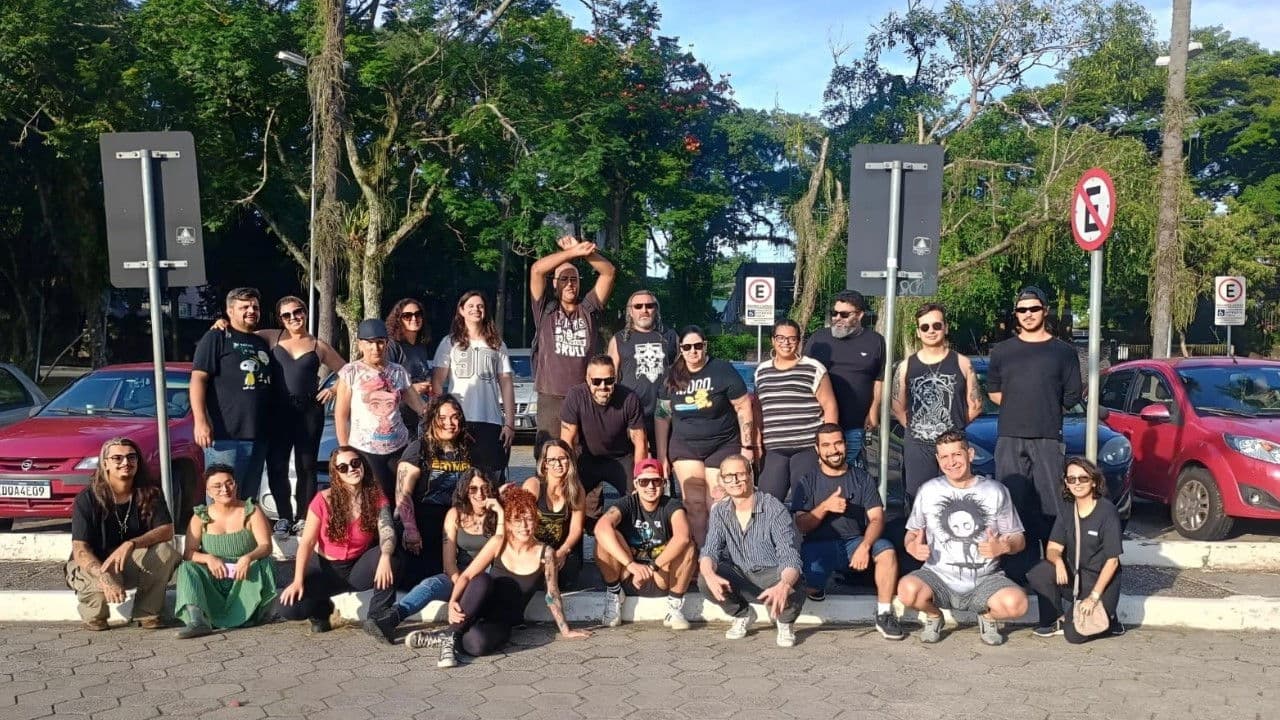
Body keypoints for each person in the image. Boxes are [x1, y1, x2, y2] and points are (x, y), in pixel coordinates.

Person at [404, 487, 590, 668]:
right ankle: (449, 638)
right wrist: (453, 601)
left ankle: (443, 637)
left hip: (502, 621)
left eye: (529, 519)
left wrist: (565, 630)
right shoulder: (498, 542)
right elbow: (467, 575)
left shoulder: (546, 553)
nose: (524, 526)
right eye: (518, 520)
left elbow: (552, 593)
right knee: (482, 579)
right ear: (508, 523)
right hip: (477, 605)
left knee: (475, 644)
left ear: (536, 520)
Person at [986, 286, 1083, 583]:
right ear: (1016, 314)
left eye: (1034, 309)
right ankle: (1015, 576)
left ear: (1045, 311)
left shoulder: (1063, 352)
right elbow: (994, 392)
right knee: (1011, 506)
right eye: (1022, 310)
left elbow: (1072, 396)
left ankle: (1055, 574)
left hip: (1047, 437)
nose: (1028, 314)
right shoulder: (1002, 352)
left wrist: (1042, 406)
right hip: (1010, 437)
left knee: (1053, 506)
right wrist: (1020, 405)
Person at [898, 430, 1029, 646]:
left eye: (957, 455)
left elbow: (1018, 538)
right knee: (907, 590)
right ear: (938, 459)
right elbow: (912, 532)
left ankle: (988, 618)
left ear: (970, 454)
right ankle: (934, 616)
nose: (951, 462)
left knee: (1018, 604)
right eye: (944, 457)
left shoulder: (996, 491)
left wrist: (1004, 547)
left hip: (986, 579)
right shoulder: (928, 491)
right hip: (937, 576)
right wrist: (911, 546)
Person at [363, 469, 503, 644]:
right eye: (473, 489)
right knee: (431, 584)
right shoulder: (455, 515)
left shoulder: (499, 516)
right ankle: (392, 619)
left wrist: (500, 511)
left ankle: (450, 635)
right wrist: (459, 585)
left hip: (484, 580)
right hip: (458, 576)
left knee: (479, 588)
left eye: (484, 488)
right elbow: (449, 562)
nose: (479, 494)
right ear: (465, 491)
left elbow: (501, 544)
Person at [791, 424, 903, 640]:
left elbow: (877, 518)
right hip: (818, 546)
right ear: (817, 450)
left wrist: (865, 546)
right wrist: (824, 507)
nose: (833, 450)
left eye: (838, 443)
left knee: (886, 551)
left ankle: (884, 614)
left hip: (855, 543)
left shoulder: (862, 477)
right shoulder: (807, 480)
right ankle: (817, 587)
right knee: (808, 588)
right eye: (826, 445)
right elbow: (801, 525)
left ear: (845, 444)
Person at [278, 446, 398, 634]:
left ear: (363, 465)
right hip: (324, 568)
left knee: (392, 556)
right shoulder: (322, 499)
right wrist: (297, 580)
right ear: (336, 474)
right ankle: (321, 611)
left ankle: (379, 618)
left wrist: (385, 556)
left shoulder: (376, 496)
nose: (351, 469)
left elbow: (387, 530)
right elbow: (307, 542)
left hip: (357, 567)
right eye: (343, 467)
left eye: (355, 463)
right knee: (290, 608)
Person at [66, 437, 180, 631]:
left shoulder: (150, 492)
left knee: (165, 551)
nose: (126, 462)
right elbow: (80, 550)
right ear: (105, 464)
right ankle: (93, 611)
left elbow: (167, 530)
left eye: (131, 457)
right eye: (117, 458)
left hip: (129, 560)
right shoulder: (87, 498)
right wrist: (104, 576)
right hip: (93, 564)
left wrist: (131, 544)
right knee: (96, 617)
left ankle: (148, 612)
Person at [656, 325, 755, 546]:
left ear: (705, 346)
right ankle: (702, 553)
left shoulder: (722, 370)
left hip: (722, 443)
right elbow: (662, 416)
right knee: (694, 504)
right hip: (685, 446)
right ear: (680, 349)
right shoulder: (671, 374)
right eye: (687, 347)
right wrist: (662, 456)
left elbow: (742, 406)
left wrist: (747, 446)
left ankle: (721, 552)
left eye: (698, 346)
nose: (693, 351)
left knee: (717, 500)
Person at [699, 455, 806, 647]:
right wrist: (709, 574)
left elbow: (789, 556)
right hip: (741, 575)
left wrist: (784, 584)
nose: (735, 480)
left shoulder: (774, 508)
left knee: (794, 581)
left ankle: (785, 622)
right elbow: (710, 550)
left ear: (751, 475)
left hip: (772, 574)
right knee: (705, 578)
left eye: (740, 474)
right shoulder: (719, 511)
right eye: (729, 476)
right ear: (722, 480)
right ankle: (742, 614)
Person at [263, 297, 345, 536]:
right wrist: (221, 324)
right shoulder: (273, 337)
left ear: (306, 313)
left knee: (306, 465)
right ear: (280, 319)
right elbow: (241, 332)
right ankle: (284, 516)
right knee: (277, 464)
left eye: (297, 312)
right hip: (278, 410)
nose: (293, 318)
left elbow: (347, 370)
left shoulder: (319, 345)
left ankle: (303, 517)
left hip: (308, 411)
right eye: (286, 315)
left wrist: (333, 389)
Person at [528, 235, 617, 453]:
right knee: (550, 454)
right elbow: (537, 270)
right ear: (554, 283)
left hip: (585, 395)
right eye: (564, 279)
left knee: (584, 455)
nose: (569, 284)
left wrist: (584, 252)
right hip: (551, 396)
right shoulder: (546, 310)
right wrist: (572, 253)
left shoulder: (588, 309)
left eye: (574, 279)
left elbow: (608, 272)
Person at [891, 303, 983, 503]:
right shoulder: (906, 366)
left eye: (936, 325)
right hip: (918, 447)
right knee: (919, 501)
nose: (931, 331)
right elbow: (897, 407)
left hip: (954, 446)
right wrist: (919, 429)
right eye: (925, 327)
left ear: (945, 327)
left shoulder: (963, 363)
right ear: (918, 332)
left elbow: (976, 405)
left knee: (957, 499)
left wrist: (954, 427)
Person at [1027, 457, 1125, 642]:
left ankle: (1108, 621)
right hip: (1076, 576)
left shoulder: (1107, 512)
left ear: (1094, 481)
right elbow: (1053, 547)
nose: (1077, 483)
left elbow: (1113, 561)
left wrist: (1094, 597)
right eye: (1072, 479)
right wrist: (1058, 561)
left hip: (1101, 581)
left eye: (1083, 478)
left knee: (1073, 636)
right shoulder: (1067, 510)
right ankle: (1055, 619)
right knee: (1039, 572)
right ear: (1066, 483)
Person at [174, 465, 277, 639]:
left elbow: (266, 546)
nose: (225, 489)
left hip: (245, 577)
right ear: (208, 492)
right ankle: (198, 621)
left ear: (235, 485)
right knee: (187, 568)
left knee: (267, 563)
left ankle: (257, 614)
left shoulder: (251, 511)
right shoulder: (200, 516)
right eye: (217, 486)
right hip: (214, 578)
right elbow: (189, 553)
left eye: (229, 483)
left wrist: (248, 557)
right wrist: (209, 558)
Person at [191, 287, 274, 499]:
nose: (251, 311)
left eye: (255, 307)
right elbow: (198, 379)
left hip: (259, 436)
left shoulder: (261, 342)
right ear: (230, 311)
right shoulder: (216, 337)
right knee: (222, 498)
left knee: (248, 500)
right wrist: (200, 421)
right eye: (244, 307)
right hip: (225, 437)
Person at [334, 318, 429, 502]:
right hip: (365, 449)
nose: (375, 348)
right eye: (369, 343)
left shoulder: (398, 371)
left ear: (386, 343)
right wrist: (344, 449)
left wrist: (438, 416)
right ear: (360, 344)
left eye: (380, 342)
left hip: (398, 446)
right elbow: (341, 415)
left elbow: (418, 405)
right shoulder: (350, 372)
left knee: (402, 498)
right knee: (375, 500)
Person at [594, 458, 695, 630]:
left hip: (660, 575)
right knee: (605, 537)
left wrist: (652, 567)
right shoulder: (627, 503)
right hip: (628, 575)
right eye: (644, 481)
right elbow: (601, 528)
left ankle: (674, 606)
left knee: (688, 546)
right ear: (635, 484)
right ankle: (614, 593)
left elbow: (683, 537)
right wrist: (631, 565)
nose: (650, 486)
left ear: (663, 483)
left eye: (656, 481)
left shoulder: (672, 505)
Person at [432, 291, 515, 485]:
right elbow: (437, 383)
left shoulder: (497, 344)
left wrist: (510, 423)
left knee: (491, 479)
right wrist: (438, 419)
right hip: (458, 421)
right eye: (470, 306)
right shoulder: (449, 343)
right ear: (461, 310)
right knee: (458, 479)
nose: (476, 310)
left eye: (480, 306)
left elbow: (506, 383)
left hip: (490, 420)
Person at [394, 396, 475, 588]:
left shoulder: (467, 448)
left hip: (458, 520)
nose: (449, 423)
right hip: (424, 522)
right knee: (426, 580)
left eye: (455, 417)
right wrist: (410, 529)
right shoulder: (418, 449)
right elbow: (402, 494)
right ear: (432, 420)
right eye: (442, 418)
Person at [560, 354, 647, 530]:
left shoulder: (629, 398)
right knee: (568, 497)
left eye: (608, 381)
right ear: (587, 379)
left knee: (639, 497)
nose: (603, 386)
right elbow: (567, 441)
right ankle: (572, 544)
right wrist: (567, 476)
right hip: (587, 457)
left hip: (621, 458)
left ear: (615, 378)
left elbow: (640, 442)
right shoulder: (576, 396)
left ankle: (632, 539)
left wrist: (640, 476)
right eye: (597, 381)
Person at [754, 320, 837, 501]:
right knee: (766, 503)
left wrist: (828, 444)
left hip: (807, 446)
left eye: (792, 338)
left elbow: (829, 406)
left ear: (799, 341)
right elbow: (758, 410)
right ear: (773, 340)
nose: (786, 343)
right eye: (781, 338)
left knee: (805, 503)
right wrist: (756, 442)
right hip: (774, 447)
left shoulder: (813, 368)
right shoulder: (761, 371)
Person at [804, 290, 884, 469]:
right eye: (834, 313)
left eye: (844, 314)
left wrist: (873, 411)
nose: (837, 318)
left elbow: (879, 379)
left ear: (860, 315)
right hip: (819, 424)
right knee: (820, 472)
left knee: (846, 471)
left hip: (854, 423)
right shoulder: (819, 339)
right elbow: (804, 374)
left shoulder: (875, 341)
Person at [607, 289, 678, 452]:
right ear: (630, 311)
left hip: (664, 411)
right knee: (637, 463)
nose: (644, 310)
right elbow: (610, 377)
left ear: (656, 309)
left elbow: (682, 373)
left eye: (649, 306)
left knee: (664, 462)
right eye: (638, 306)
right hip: (631, 414)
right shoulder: (619, 339)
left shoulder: (670, 336)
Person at [521, 439, 586, 589]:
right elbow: (521, 524)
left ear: (570, 460)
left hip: (561, 548)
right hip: (533, 545)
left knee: (567, 577)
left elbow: (576, 528)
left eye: (562, 458)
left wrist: (562, 552)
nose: (558, 464)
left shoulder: (577, 490)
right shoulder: (533, 485)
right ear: (544, 464)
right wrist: (539, 552)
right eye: (552, 460)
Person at [385, 298, 435, 438]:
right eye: (407, 316)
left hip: (420, 413)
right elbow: (382, 382)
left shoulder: (421, 346)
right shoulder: (392, 346)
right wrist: (411, 389)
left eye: (418, 314)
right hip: (398, 417)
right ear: (398, 319)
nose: (414, 318)